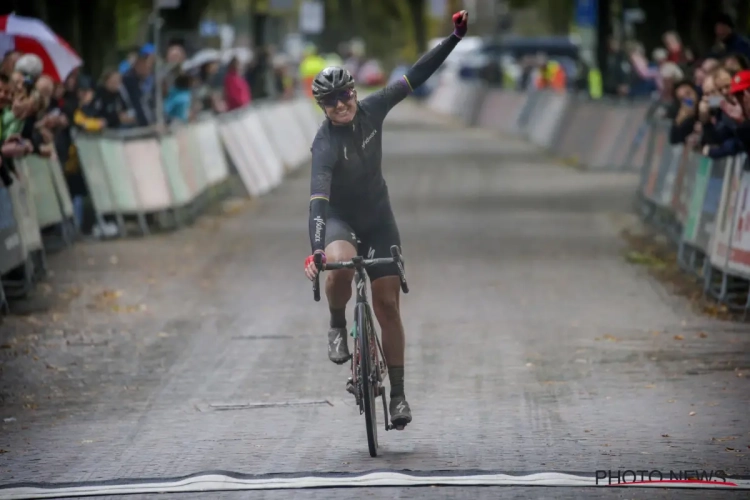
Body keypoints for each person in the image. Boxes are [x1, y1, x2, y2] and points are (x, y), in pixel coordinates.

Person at [302, 10, 470, 430]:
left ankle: (397, 396)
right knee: (338, 268)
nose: (341, 105)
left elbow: (416, 75)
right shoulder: (323, 145)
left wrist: (454, 37)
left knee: (387, 304)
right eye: (331, 101)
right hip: (341, 218)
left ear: (355, 93)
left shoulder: (374, 109)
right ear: (322, 107)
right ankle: (338, 324)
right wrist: (317, 251)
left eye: (346, 96)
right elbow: (318, 201)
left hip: (378, 217)